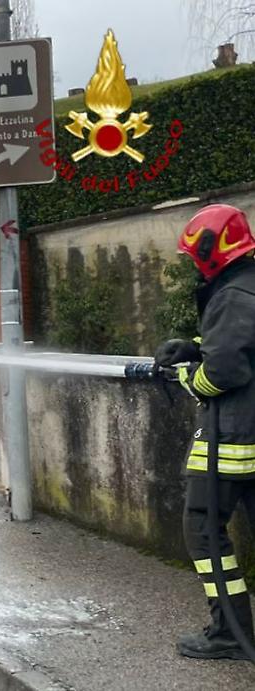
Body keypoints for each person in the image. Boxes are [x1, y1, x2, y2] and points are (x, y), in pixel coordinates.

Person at [154, 203, 255, 660]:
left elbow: (227, 370)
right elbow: (238, 344)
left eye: (195, 255)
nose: (193, 263)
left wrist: (188, 378)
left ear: (212, 250)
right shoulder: (247, 286)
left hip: (235, 436)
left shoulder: (233, 295)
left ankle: (230, 632)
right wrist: (193, 346)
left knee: (202, 526)